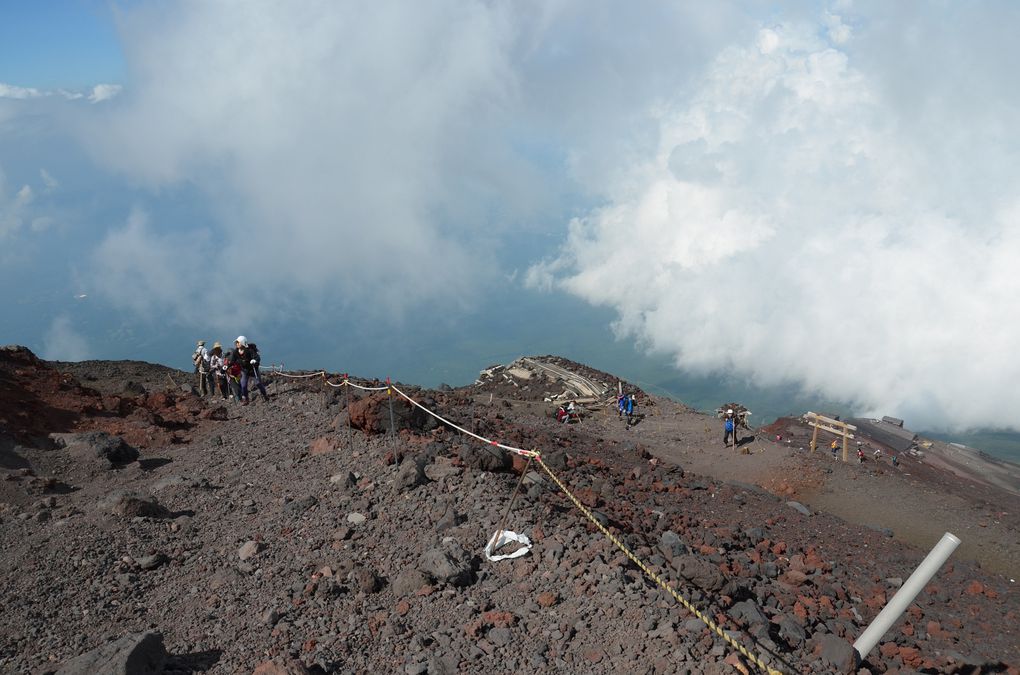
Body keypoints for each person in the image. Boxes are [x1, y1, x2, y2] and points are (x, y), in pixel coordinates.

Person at [228, 335, 268, 405]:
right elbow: (232, 361)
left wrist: (254, 360)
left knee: (258, 383)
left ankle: (265, 395)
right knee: (243, 385)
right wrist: (226, 367)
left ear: (242, 343)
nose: (236, 344)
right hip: (244, 371)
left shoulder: (249, 350)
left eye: (238, 342)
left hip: (253, 370)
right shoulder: (235, 352)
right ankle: (246, 399)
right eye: (236, 342)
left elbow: (257, 357)